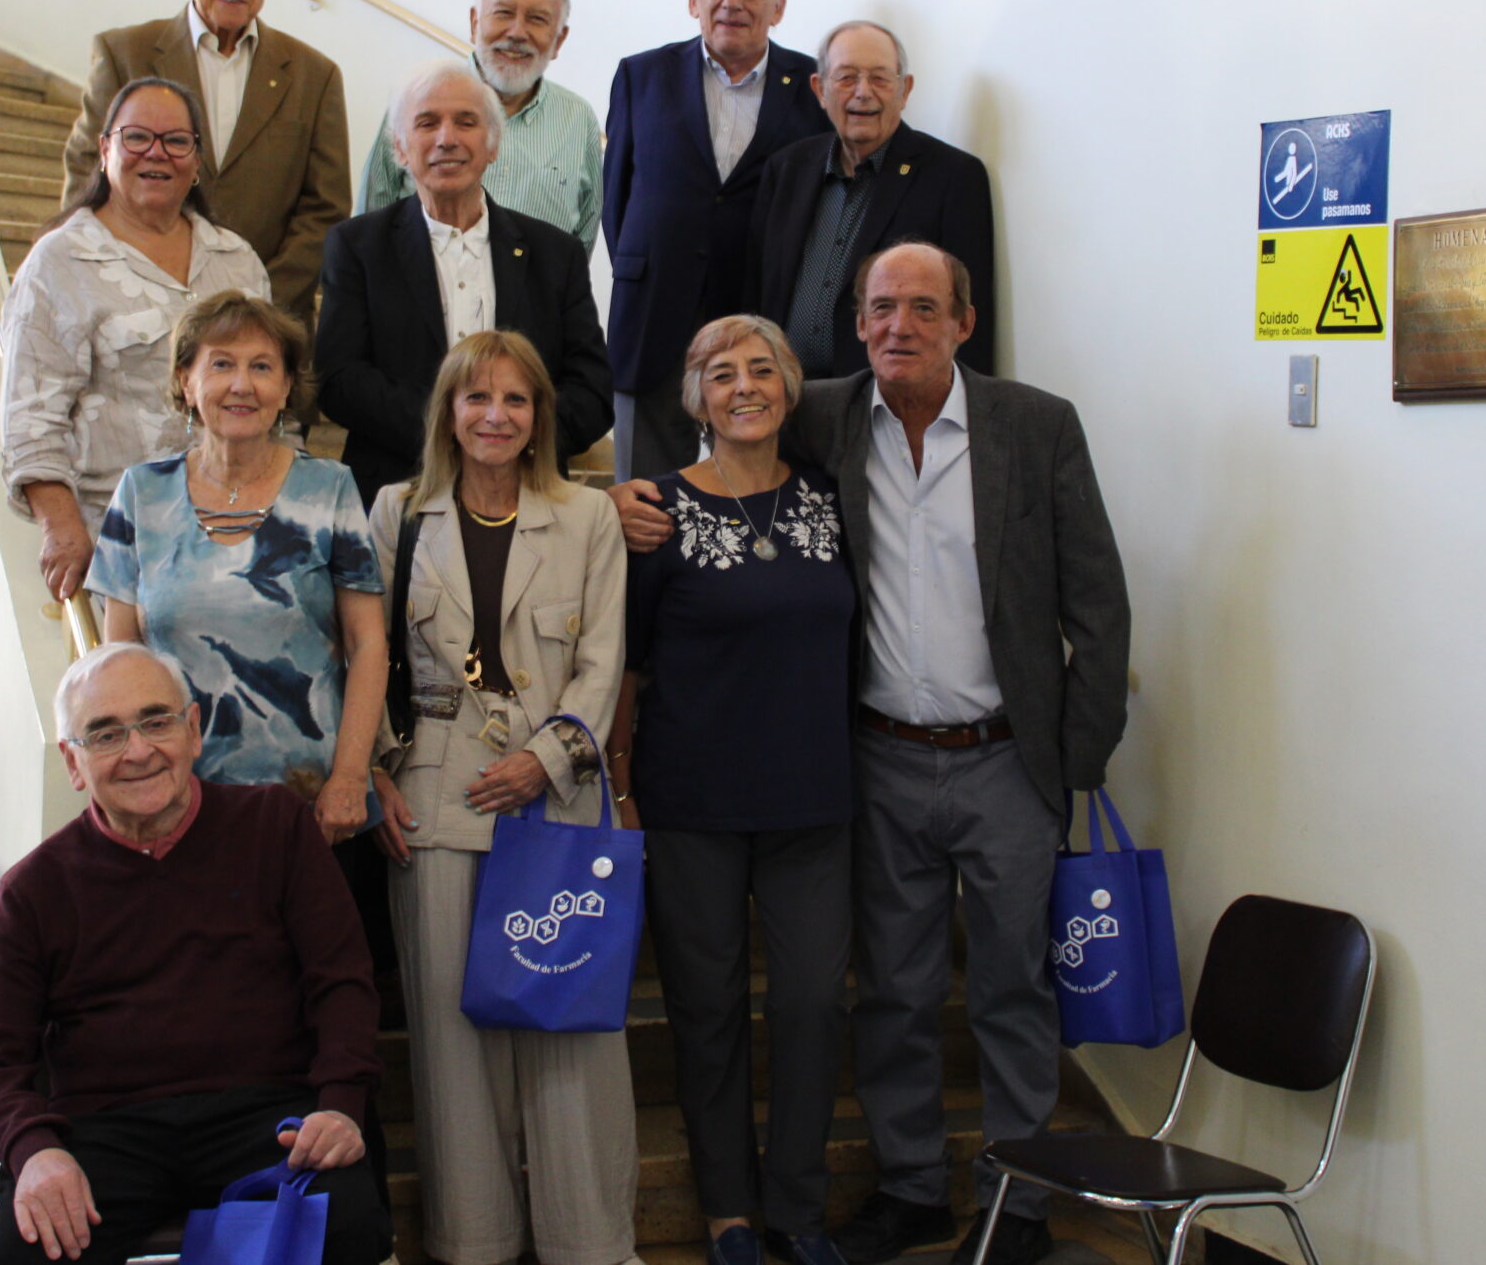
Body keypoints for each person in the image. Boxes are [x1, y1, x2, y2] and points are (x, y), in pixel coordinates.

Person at [613, 242, 1132, 1265]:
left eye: (923, 308)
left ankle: (1017, 1197)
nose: (900, 325)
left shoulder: (1035, 426)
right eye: (881, 307)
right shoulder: (830, 416)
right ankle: (908, 1187)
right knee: (893, 990)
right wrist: (610, 499)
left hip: (1005, 757)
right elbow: (716, 431)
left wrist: (1076, 758)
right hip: (879, 758)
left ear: (963, 322)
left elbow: (1098, 601)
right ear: (856, 322)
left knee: (1011, 989)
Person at [0, 642, 391, 1265]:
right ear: (73, 762)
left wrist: (340, 1107)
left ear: (193, 732)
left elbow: (343, 983)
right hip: (107, 1130)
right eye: (105, 735)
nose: (139, 751)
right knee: (14, 1255)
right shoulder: (34, 889)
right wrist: (34, 1152)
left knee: (346, 1223)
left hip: (270, 1114)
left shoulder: (277, 827)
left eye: (156, 722)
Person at [369, 330, 634, 1265]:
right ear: (448, 410)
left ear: (539, 420)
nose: (495, 415)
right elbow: (369, 660)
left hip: (550, 794)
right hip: (435, 792)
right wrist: (378, 773)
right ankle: (472, 1238)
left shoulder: (587, 515)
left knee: (567, 1025)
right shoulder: (398, 511)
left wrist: (553, 755)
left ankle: (589, 1241)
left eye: (515, 400)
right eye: (476, 397)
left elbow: (604, 659)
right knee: (449, 1033)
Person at [613, 316, 858, 1265]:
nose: (744, 386)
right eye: (723, 373)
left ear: (792, 390)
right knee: (706, 1009)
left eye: (763, 369)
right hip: (689, 802)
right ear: (696, 397)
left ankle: (798, 1205)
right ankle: (728, 1212)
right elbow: (626, 667)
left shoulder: (835, 501)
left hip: (814, 800)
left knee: (808, 1004)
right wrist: (626, 788)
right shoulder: (653, 513)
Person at [88, 289, 386, 822]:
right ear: (186, 381)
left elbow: (367, 644)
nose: (242, 385)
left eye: (263, 367)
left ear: (286, 386)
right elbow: (121, 660)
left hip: (312, 805)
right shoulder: (140, 494)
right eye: (221, 364)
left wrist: (350, 776)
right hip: (176, 801)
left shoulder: (330, 488)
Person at [2, 77, 269, 601]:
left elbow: (270, 391)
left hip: (240, 542)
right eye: (136, 137)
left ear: (196, 161)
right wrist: (61, 530)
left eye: (176, 141)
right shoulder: (59, 263)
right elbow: (30, 424)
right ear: (104, 150)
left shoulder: (237, 260)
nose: (157, 153)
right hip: (122, 553)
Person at [319, 62, 612, 505]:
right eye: (427, 122)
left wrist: (509, 438)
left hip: (530, 493)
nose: (447, 138)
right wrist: (455, 432)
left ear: (493, 146)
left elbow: (592, 393)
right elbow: (339, 381)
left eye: (466, 122)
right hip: (397, 494)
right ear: (399, 148)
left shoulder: (555, 253)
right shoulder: (357, 246)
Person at [60, 0, 348, 329]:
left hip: (265, 333)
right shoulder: (124, 55)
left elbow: (324, 210)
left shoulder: (315, 76)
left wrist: (254, 301)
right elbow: (88, 173)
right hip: (132, 319)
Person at [601, 0, 828, 481]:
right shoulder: (641, 75)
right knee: (644, 491)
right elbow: (618, 200)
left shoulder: (813, 87)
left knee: (753, 480)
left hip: (758, 312)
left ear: (779, 6)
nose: (733, 0)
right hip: (653, 309)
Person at [749, 21, 996, 378]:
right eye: (846, 78)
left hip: (888, 401)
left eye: (880, 79)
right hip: (786, 398)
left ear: (905, 90)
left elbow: (970, 317)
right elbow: (755, 291)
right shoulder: (786, 169)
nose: (863, 93)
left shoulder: (954, 177)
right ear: (820, 89)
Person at [357, 0, 603, 252]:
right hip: (421, 294)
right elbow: (370, 223)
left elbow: (583, 236)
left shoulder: (578, 119)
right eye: (503, 13)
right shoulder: (414, 101)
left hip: (534, 298)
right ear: (475, 24)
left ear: (559, 39)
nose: (516, 32)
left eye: (537, 19)